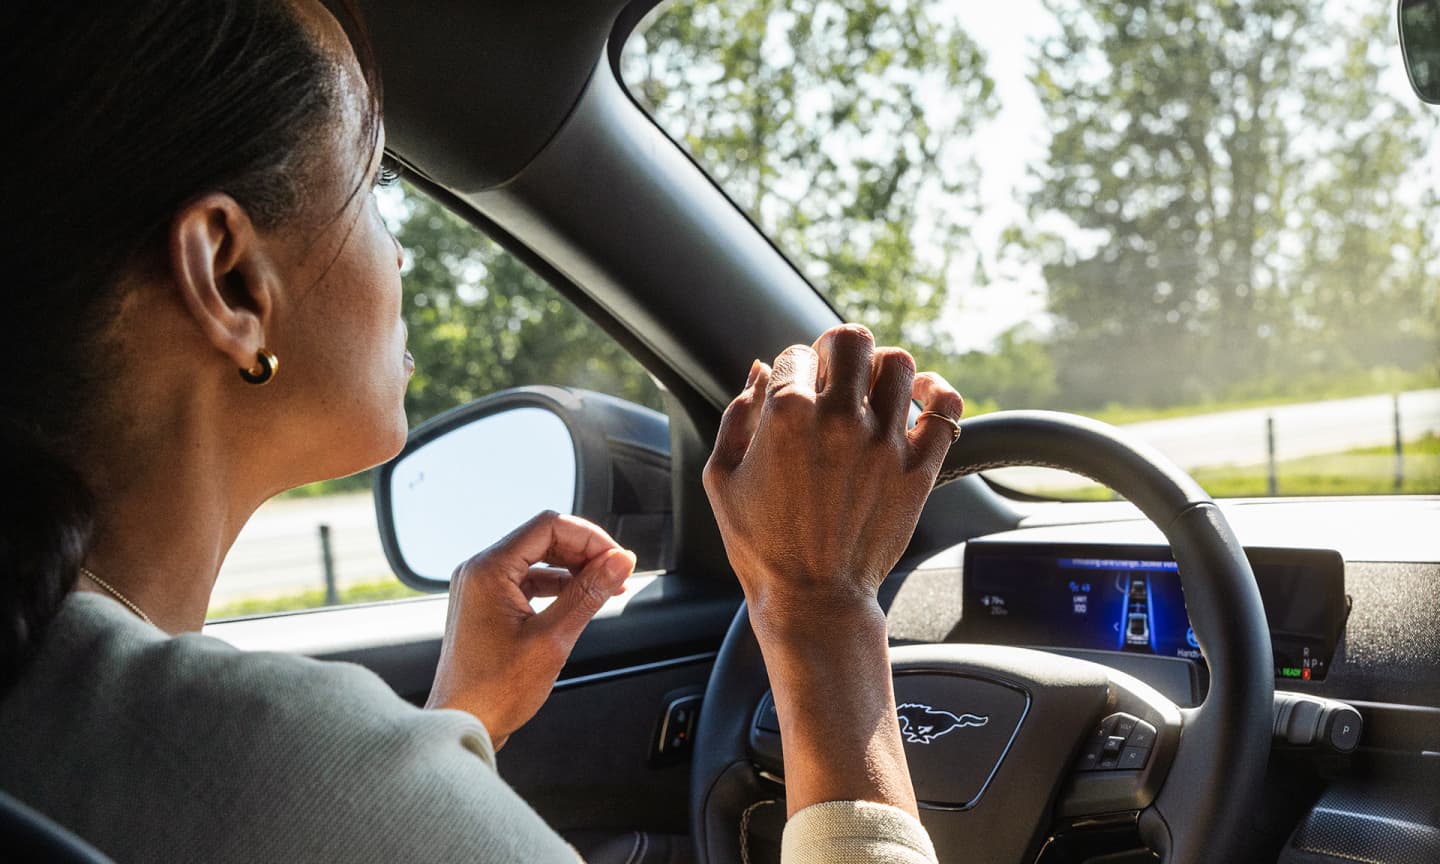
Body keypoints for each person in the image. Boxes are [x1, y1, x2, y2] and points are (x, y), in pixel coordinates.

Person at [0, 2, 965, 862]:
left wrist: (455, 725)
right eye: (374, 190)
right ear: (232, 281)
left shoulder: (73, 724)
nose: (402, 249)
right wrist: (822, 611)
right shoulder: (273, 765)